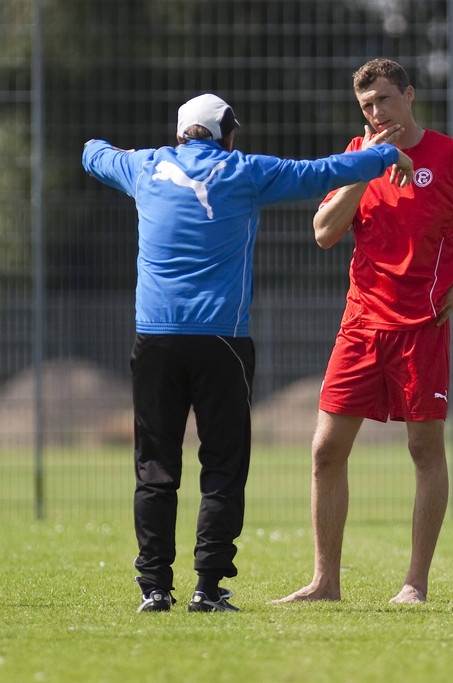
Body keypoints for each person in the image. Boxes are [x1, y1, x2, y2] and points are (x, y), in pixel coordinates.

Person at [82, 92, 413, 614]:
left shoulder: (144, 168)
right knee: (223, 465)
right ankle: (208, 588)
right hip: (222, 341)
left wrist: (97, 145)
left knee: (155, 465)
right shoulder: (245, 172)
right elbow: (320, 172)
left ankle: (153, 588)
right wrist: (384, 154)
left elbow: (93, 154)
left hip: (155, 341)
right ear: (227, 135)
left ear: (179, 134)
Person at [275, 58, 453, 606]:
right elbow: (322, 233)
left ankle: (415, 583)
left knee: (423, 448)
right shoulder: (356, 155)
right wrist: (365, 167)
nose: (376, 112)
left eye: (385, 100)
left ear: (409, 96)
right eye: (367, 106)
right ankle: (325, 583)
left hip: (422, 329)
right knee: (325, 450)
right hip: (360, 324)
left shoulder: (451, 157)